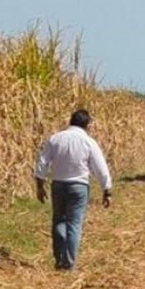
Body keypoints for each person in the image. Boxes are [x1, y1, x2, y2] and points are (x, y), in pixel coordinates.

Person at [34, 109, 112, 271]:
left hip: (58, 185)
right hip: (79, 187)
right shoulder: (88, 142)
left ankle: (59, 259)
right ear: (87, 125)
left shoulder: (56, 138)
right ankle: (68, 264)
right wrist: (107, 189)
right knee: (74, 224)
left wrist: (40, 185)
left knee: (59, 221)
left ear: (71, 121)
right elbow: (100, 168)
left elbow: (42, 162)